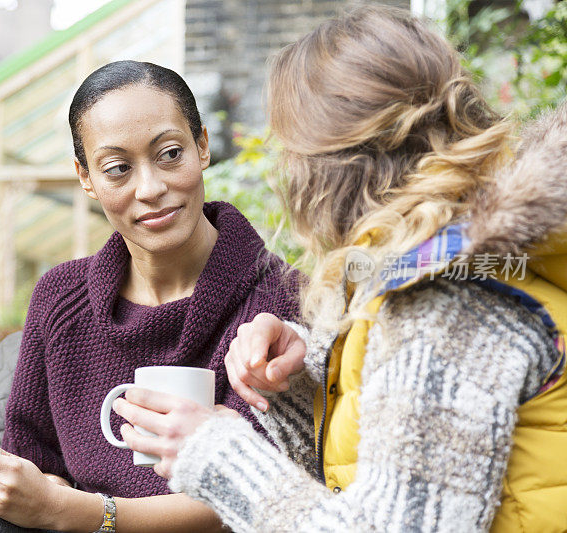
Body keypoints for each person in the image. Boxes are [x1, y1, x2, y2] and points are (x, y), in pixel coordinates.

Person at [113, 6, 567, 532]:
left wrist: (215, 455)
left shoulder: (443, 301)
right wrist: (305, 385)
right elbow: (391, 479)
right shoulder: (456, 260)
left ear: (325, 165)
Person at [0, 60, 302, 532]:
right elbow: (34, 455)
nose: (151, 188)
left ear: (203, 147)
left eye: (171, 154)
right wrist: (26, 488)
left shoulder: (277, 304)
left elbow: (252, 492)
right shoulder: (61, 298)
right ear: (86, 177)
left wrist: (73, 512)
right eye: (117, 169)